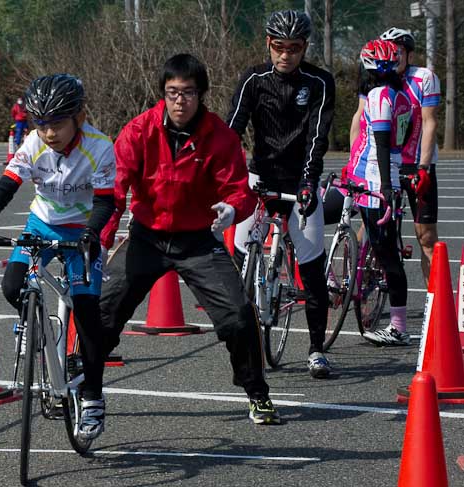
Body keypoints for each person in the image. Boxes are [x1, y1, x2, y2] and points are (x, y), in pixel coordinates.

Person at [100, 53, 281, 425]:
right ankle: (83, 383)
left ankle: (256, 393)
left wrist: (233, 211)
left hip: (198, 240)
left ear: (202, 95)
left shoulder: (220, 136)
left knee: (239, 315)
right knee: (103, 309)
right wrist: (99, 238)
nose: (180, 100)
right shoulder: (138, 130)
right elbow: (114, 190)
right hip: (146, 237)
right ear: (163, 94)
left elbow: (239, 192)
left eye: (188, 92)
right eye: (172, 92)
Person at [0, 74, 115, 441]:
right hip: (43, 224)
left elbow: (105, 201)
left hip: (83, 228)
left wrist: (91, 234)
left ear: (78, 117)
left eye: (57, 123)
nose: (49, 132)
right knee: (11, 285)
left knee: (86, 315)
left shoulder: (99, 147)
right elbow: (6, 185)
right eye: (42, 123)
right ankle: (36, 323)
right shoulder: (33, 143)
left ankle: (94, 397)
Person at [226, 10, 335, 379]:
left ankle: (317, 348)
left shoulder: (320, 82)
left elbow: (317, 139)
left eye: (294, 48)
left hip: (300, 179)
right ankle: (242, 339)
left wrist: (308, 183)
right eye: (278, 47)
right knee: (239, 255)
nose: (285, 55)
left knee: (312, 265)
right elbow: (231, 132)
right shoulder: (254, 79)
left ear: (304, 48)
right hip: (260, 177)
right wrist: (228, 176)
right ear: (268, 45)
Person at [349, 27, 440, 287]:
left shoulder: (424, 78)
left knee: (426, 237)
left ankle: (434, 304)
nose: (392, 57)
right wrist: (353, 163)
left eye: (398, 51)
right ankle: (354, 284)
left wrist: (423, 166)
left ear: (409, 54)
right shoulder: (375, 78)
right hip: (381, 166)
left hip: (416, 165)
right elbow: (359, 117)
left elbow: (429, 121)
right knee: (368, 224)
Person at [343, 40, 413, 346]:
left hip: (374, 180)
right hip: (370, 175)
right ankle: (341, 279)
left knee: (388, 257)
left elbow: (383, 144)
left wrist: (385, 187)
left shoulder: (379, 95)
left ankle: (398, 326)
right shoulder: (401, 96)